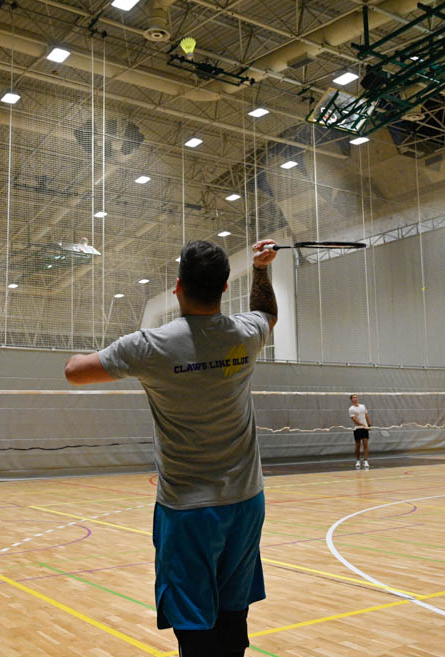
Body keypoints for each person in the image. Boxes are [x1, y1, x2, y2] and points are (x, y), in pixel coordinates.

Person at [64, 239, 279, 657]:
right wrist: (260, 268)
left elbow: (75, 372)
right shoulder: (246, 334)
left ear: (178, 287)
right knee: (233, 615)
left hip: (187, 511)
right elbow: (267, 313)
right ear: (223, 288)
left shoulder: (150, 346)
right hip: (246, 502)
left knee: (193, 621)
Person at [348, 394, 371, 469]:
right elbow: (354, 420)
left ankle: (365, 460)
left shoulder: (363, 406)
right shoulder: (351, 409)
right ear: (351, 400)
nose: (355, 398)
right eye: (354, 398)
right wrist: (362, 424)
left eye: (356, 397)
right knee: (358, 445)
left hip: (365, 428)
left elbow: (366, 415)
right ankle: (358, 460)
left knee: (365, 444)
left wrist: (369, 424)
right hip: (357, 428)